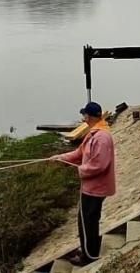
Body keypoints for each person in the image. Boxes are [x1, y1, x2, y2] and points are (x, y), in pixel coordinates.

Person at [50, 102, 115, 266]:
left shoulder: (102, 137)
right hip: (91, 188)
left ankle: (89, 257)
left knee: (87, 222)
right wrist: (60, 158)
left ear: (90, 116)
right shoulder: (93, 133)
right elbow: (79, 153)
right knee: (87, 220)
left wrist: (81, 170)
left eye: (85, 114)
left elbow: (100, 165)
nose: (83, 117)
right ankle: (89, 249)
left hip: (95, 189)